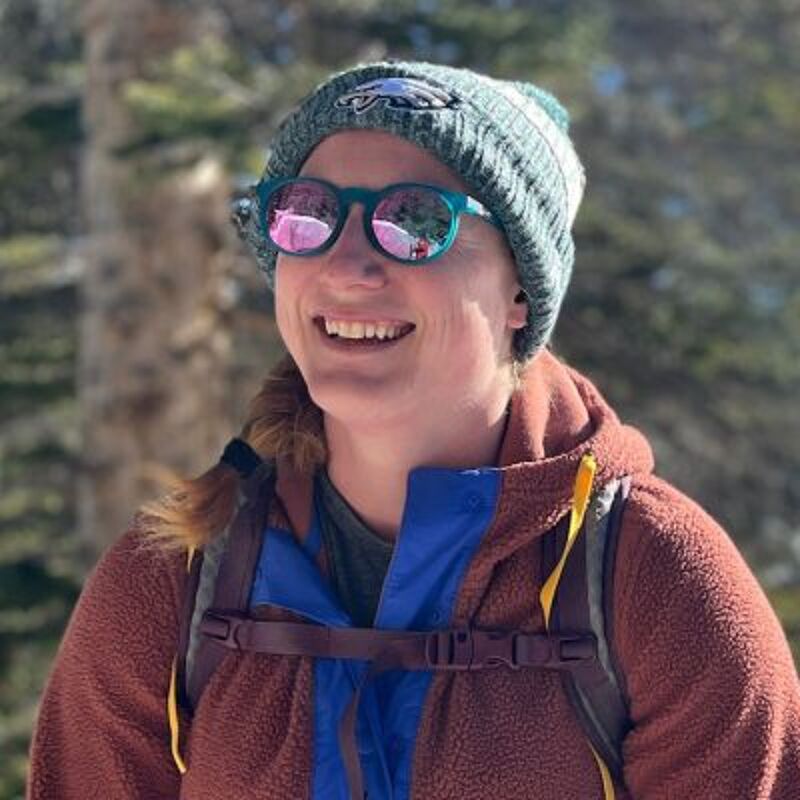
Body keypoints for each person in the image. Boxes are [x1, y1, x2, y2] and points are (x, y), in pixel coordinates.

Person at [27, 60, 800, 800]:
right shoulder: (175, 576)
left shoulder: (656, 580)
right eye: (311, 214)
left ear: (519, 293)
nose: (349, 263)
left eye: (415, 221)